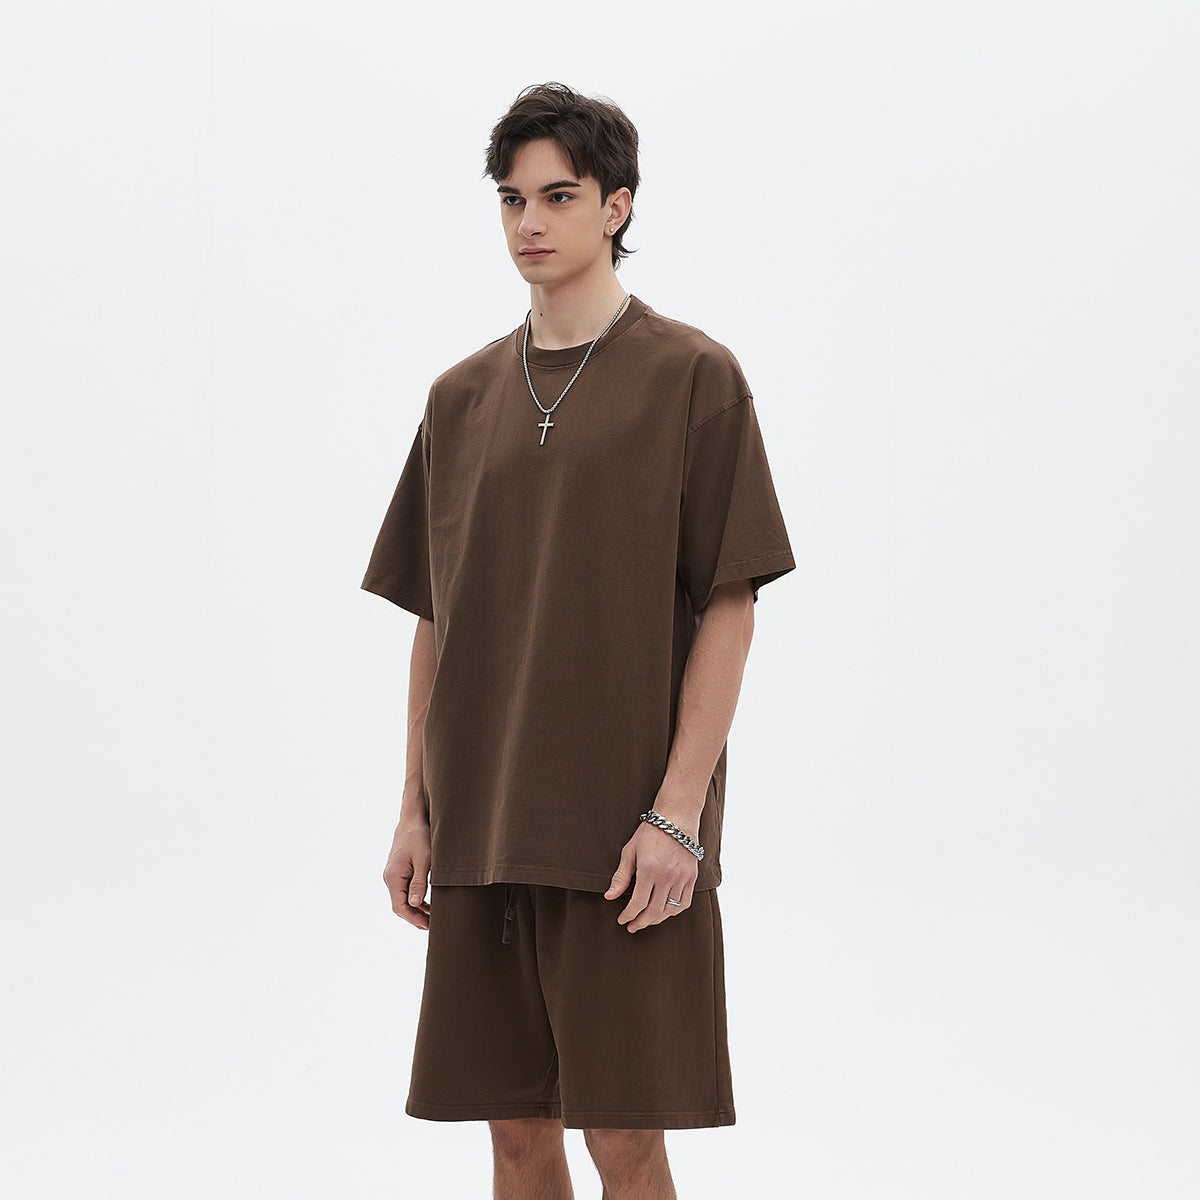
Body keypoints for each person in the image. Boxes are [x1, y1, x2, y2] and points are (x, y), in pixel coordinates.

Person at [361, 81, 795, 1200]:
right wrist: (414, 808)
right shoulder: (459, 398)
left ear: (617, 205)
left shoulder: (692, 377)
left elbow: (732, 602)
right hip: (483, 825)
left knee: (624, 1140)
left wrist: (678, 812)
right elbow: (437, 618)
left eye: (558, 196)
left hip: (622, 837)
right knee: (513, 1135)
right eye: (512, 200)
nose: (530, 223)